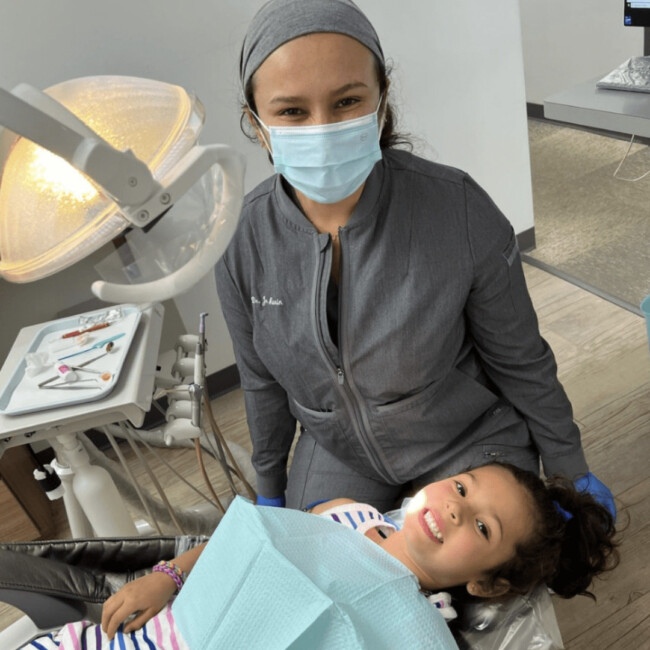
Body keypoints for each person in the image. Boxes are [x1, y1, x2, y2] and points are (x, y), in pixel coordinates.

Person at [214, 0, 616, 516]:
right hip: (342, 452)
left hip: (466, 437)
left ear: (381, 101)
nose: (321, 127)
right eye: (292, 111)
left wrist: (568, 464)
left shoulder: (458, 210)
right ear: (256, 122)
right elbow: (261, 382)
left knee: (478, 578)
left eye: (346, 102)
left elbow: (520, 358)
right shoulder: (243, 244)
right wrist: (269, 487)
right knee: (323, 574)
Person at [88, 462, 616, 646]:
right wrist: (166, 576)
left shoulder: (424, 634)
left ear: (488, 584)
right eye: (461, 488)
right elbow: (245, 542)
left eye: (482, 526)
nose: (455, 509)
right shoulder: (344, 512)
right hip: (152, 630)